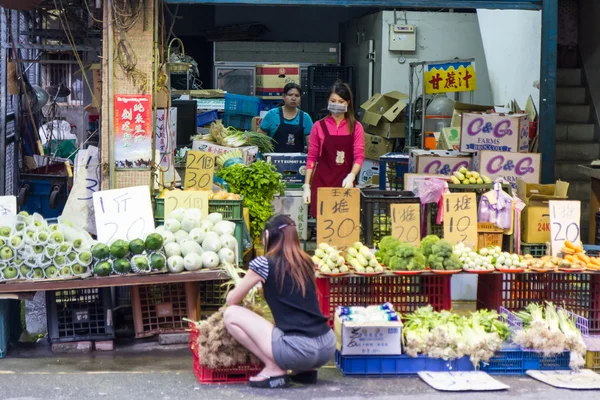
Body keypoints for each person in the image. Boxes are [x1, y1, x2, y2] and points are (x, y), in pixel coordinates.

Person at [224, 214, 335, 389]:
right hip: (326, 346)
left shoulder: (264, 263)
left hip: (298, 350)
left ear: (267, 236)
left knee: (231, 314)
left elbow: (232, 300)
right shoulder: (307, 261)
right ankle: (304, 372)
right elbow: (290, 295)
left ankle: (274, 368)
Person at [302, 81, 365, 217]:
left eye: (341, 101)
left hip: (345, 184)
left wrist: (352, 175)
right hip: (322, 183)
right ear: (328, 101)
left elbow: (359, 156)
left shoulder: (356, 127)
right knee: (324, 225)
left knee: (345, 224)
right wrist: (306, 185)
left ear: (348, 103)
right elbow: (312, 157)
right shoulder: (318, 126)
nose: (337, 104)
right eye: (333, 100)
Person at [258, 83, 313, 153]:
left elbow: (311, 146)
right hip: (273, 161)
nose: (293, 98)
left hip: (298, 162)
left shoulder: (305, 118)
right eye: (290, 95)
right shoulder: (272, 115)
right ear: (283, 96)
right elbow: (260, 139)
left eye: (297, 96)